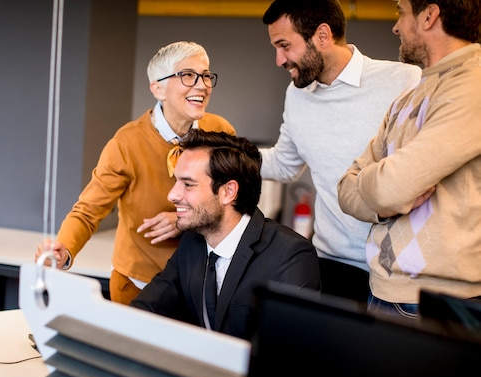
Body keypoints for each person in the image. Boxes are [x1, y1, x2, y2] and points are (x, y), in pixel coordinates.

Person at [34, 41, 236, 305]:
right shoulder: (126, 143)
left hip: (200, 281)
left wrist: (182, 220)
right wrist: (64, 249)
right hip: (139, 283)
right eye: (187, 75)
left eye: (206, 75)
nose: (201, 85)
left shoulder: (220, 132)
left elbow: (234, 203)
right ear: (158, 88)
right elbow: (88, 211)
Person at [258, 0, 421, 306]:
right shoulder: (297, 94)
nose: (279, 59)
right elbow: (283, 164)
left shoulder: (405, 81)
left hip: (399, 274)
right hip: (331, 266)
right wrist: (221, 154)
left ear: (322, 35)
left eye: (284, 45)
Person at [337, 0, 481, 322]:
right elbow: (345, 187)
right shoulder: (410, 94)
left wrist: (382, 188)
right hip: (384, 291)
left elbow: (389, 187)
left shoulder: (473, 83)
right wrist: (383, 197)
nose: (396, 26)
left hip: (438, 304)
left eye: (401, 12)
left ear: (429, 15)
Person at [130, 129, 320, 340]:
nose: (172, 195)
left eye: (188, 184)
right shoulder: (193, 241)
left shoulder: (290, 256)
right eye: (176, 182)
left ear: (228, 192)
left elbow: (287, 353)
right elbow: (149, 306)